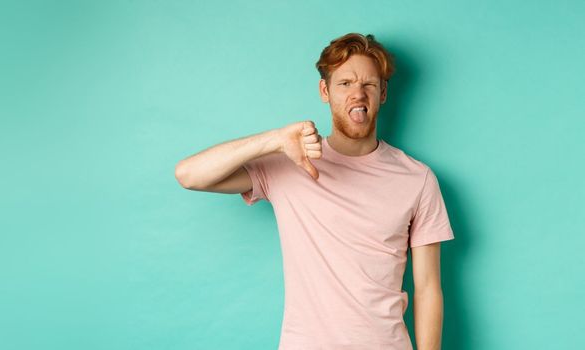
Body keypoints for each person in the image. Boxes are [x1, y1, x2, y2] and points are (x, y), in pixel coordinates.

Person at [174, 33, 454, 350]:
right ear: (325, 91)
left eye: (369, 85)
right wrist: (275, 140)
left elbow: (428, 287)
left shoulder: (417, 179)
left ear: (383, 93)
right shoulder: (290, 165)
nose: (357, 94)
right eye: (345, 83)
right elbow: (189, 175)